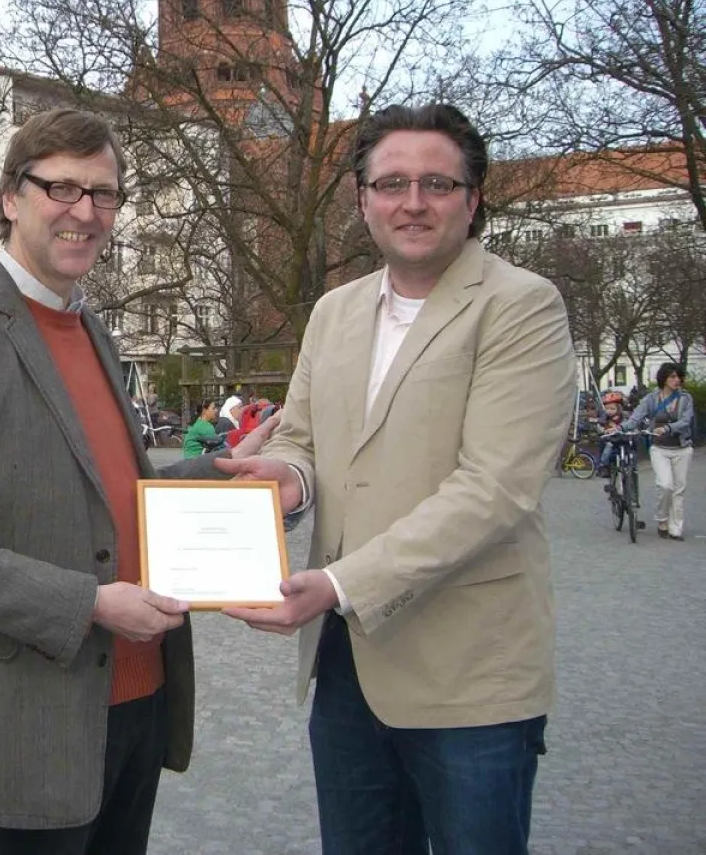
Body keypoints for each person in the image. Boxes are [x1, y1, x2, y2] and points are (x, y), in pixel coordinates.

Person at [0, 108, 276, 855]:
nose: (85, 213)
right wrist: (89, 604)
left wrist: (213, 474)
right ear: (8, 198)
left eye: (104, 194)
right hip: (25, 720)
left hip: (132, 699)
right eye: (62, 188)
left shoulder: (89, 325)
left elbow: (100, 490)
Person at [216, 103, 577, 852]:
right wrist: (287, 478)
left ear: (473, 200)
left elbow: (496, 489)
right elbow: (307, 439)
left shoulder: (522, 306)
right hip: (347, 670)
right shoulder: (333, 312)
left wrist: (341, 584)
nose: (413, 202)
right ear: (361, 200)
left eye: (437, 183)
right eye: (392, 184)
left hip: (469, 674)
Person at [620, 362, 695, 540]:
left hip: (682, 448)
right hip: (659, 448)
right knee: (665, 485)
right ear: (664, 379)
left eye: (679, 377)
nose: (677, 380)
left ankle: (675, 528)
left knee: (679, 489)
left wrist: (668, 428)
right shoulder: (652, 398)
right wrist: (620, 427)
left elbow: (686, 420)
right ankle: (662, 519)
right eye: (672, 377)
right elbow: (636, 417)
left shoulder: (685, 398)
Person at [596, 391, 626, 476]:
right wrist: (602, 430)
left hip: (621, 438)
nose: (609, 411)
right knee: (607, 450)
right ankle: (603, 465)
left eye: (612, 409)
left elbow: (628, 424)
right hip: (609, 439)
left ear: (619, 408)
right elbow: (599, 426)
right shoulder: (604, 418)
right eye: (607, 408)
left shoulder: (623, 417)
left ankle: (628, 464)